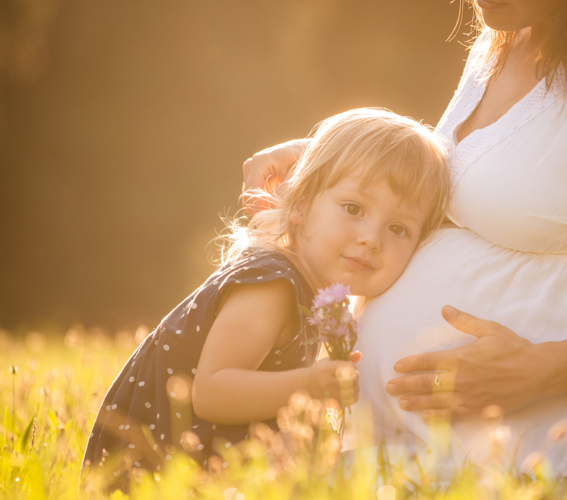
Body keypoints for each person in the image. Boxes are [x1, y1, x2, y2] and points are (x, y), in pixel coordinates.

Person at [241, 0, 567, 479]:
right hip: (411, 449)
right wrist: (333, 157)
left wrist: (537, 371)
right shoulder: (511, 32)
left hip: (547, 453)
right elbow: (494, 173)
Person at [82, 108, 450, 488]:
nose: (372, 238)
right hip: (151, 472)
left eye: (398, 228)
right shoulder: (273, 285)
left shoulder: (304, 287)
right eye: (353, 209)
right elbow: (211, 391)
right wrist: (308, 385)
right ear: (301, 205)